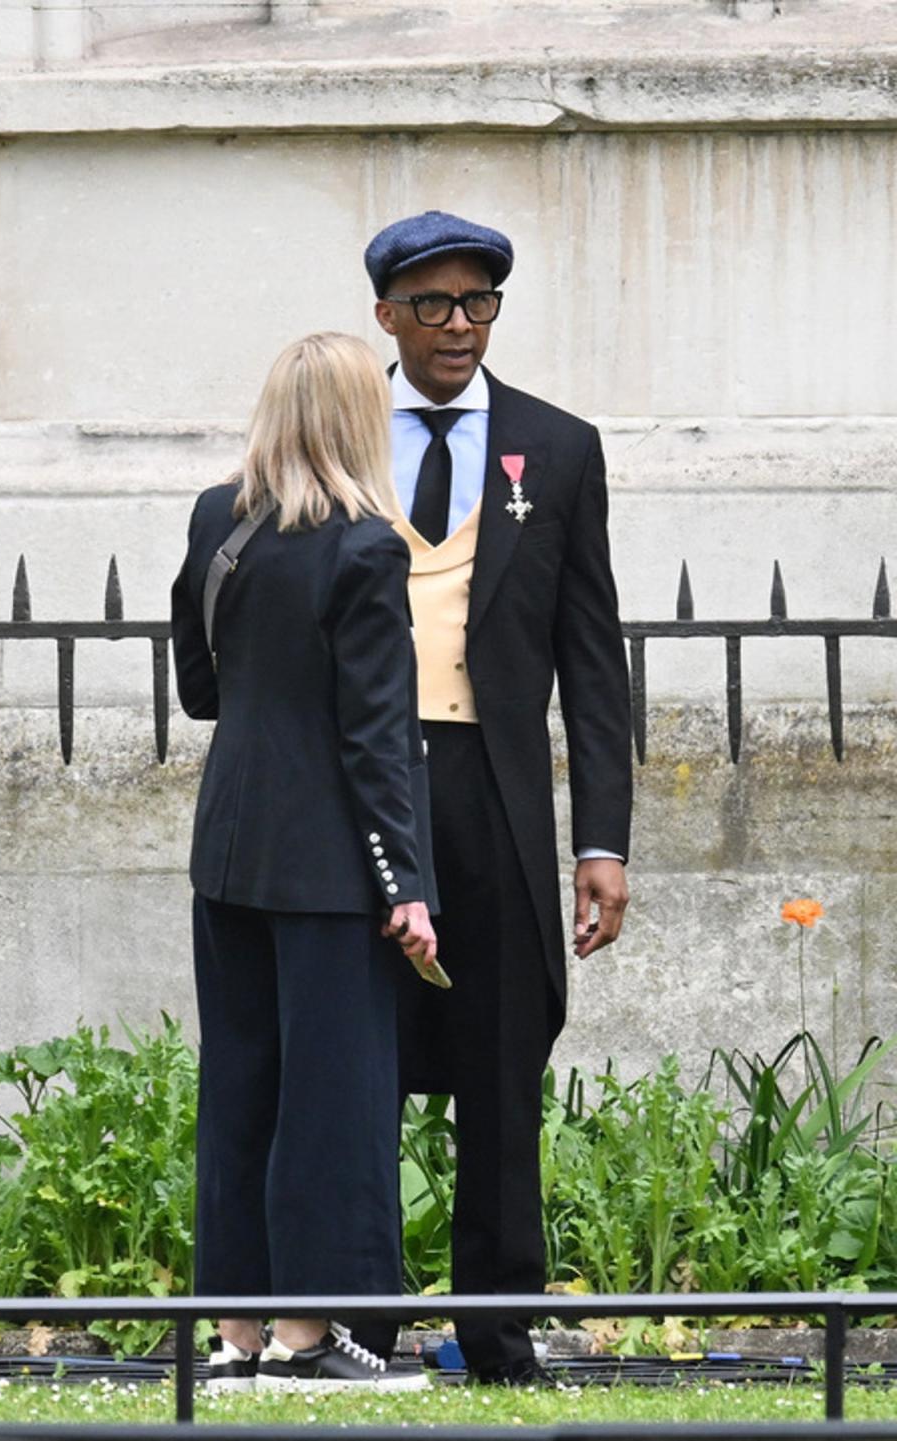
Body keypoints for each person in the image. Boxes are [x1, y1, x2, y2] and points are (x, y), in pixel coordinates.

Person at [356, 211, 633, 1386]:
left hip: (496, 792)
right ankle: (355, 1315)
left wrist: (604, 839)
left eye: (479, 304)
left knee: (503, 1056)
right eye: (433, 306)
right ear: (387, 318)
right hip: (362, 789)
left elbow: (592, 656)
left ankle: (496, 1324)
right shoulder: (338, 438)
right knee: (356, 1053)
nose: (460, 327)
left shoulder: (557, 448)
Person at [170, 332, 438, 1391]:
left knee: (241, 1089)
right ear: (357, 419)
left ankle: (236, 1334)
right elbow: (377, 733)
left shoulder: (214, 517)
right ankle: (320, 1337)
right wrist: (405, 881)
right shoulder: (367, 546)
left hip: (229, 846)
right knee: (336, 1100)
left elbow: (198, 686)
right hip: (331, 864)